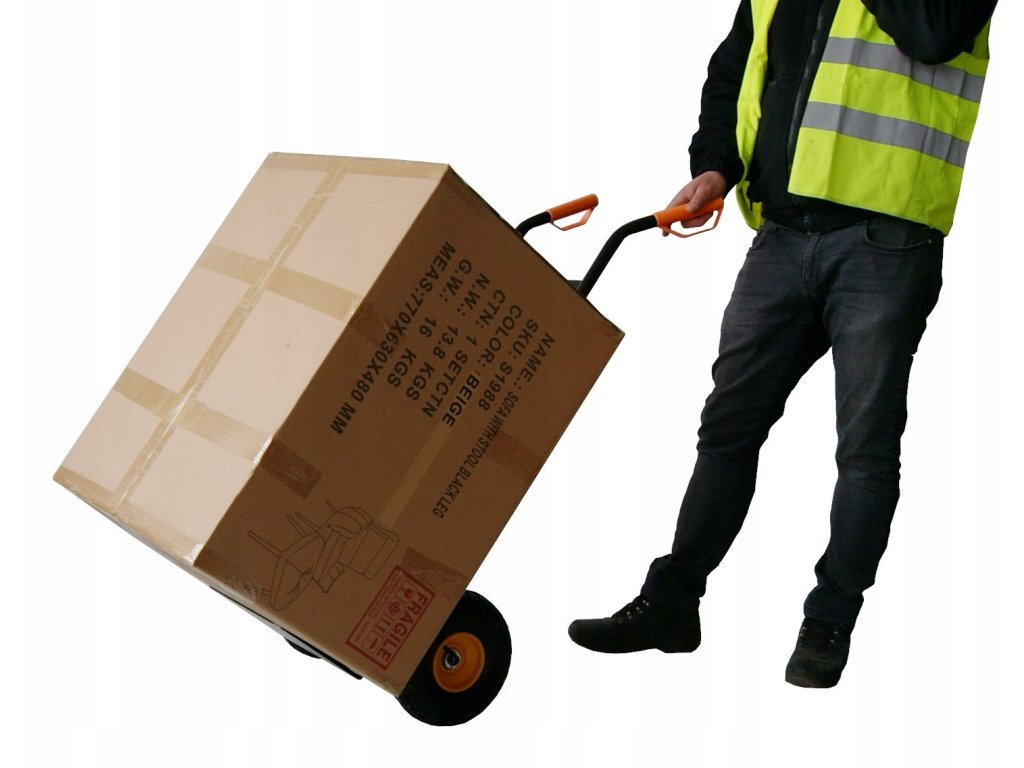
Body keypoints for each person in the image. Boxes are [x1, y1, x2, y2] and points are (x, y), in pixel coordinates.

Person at [568, 0, 998, 688]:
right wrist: (716, 165)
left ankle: (829, 621)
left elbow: (934, 32)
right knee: (727, 427)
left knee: (865, 447)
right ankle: (672, 605)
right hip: (782, 233)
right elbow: (736, 71)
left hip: (887, 238)